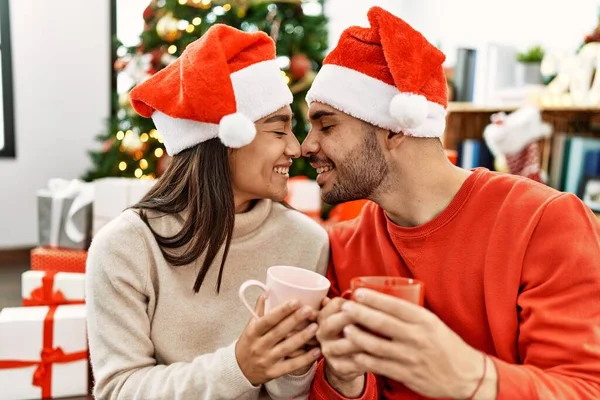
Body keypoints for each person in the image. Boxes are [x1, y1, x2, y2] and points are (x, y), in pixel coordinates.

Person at [302, 6, 600, 400]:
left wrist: (470, 378)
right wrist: (344, 380)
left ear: (395, 128)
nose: (306, 146)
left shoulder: (545, 222)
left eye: (326, 125)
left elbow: (583, 388)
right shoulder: (341, 247)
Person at [86, 24, 329, 400]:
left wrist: (294, 363)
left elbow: (290, 392)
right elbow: (119, 389)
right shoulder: (125, 247)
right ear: (225, 140)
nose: (296, 149)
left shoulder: (306, 241)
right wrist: (239, 367)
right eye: (279, 131)